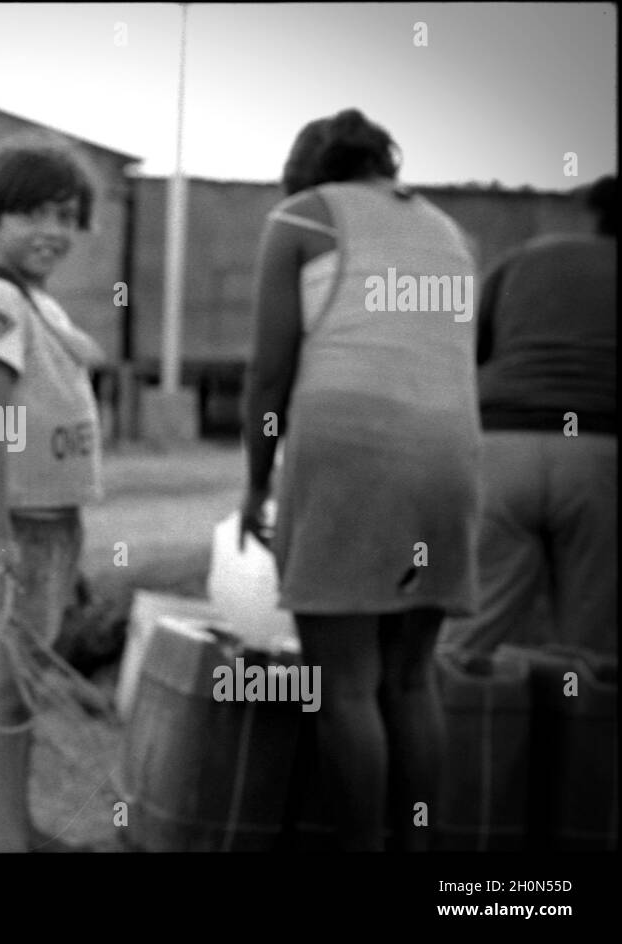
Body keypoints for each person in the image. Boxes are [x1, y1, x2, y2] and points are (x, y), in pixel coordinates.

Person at [241, 109, 482, 851]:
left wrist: (256, 484)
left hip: (352, 451)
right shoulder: (452, 233)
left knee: (342, 683)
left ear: (307, 169)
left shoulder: (302, 216)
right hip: (452, 455)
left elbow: (270, 372)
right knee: (412, 678)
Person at [0, 136, 106, 852]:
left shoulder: (37, 304)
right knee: (8, 687)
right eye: (33, 212)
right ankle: (6, 838)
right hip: (21, 528)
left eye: (67, 215)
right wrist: (3, 533)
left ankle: (19, 828)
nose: (53, 229)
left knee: (25, 682)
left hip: (51, 527)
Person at [440, 176, 616, 657]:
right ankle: (576, 724)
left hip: (500, 445)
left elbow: (472, 352)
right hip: (598, 453)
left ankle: (456, 723)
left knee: (467, 637)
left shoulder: (529, 257)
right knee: (593, 651)